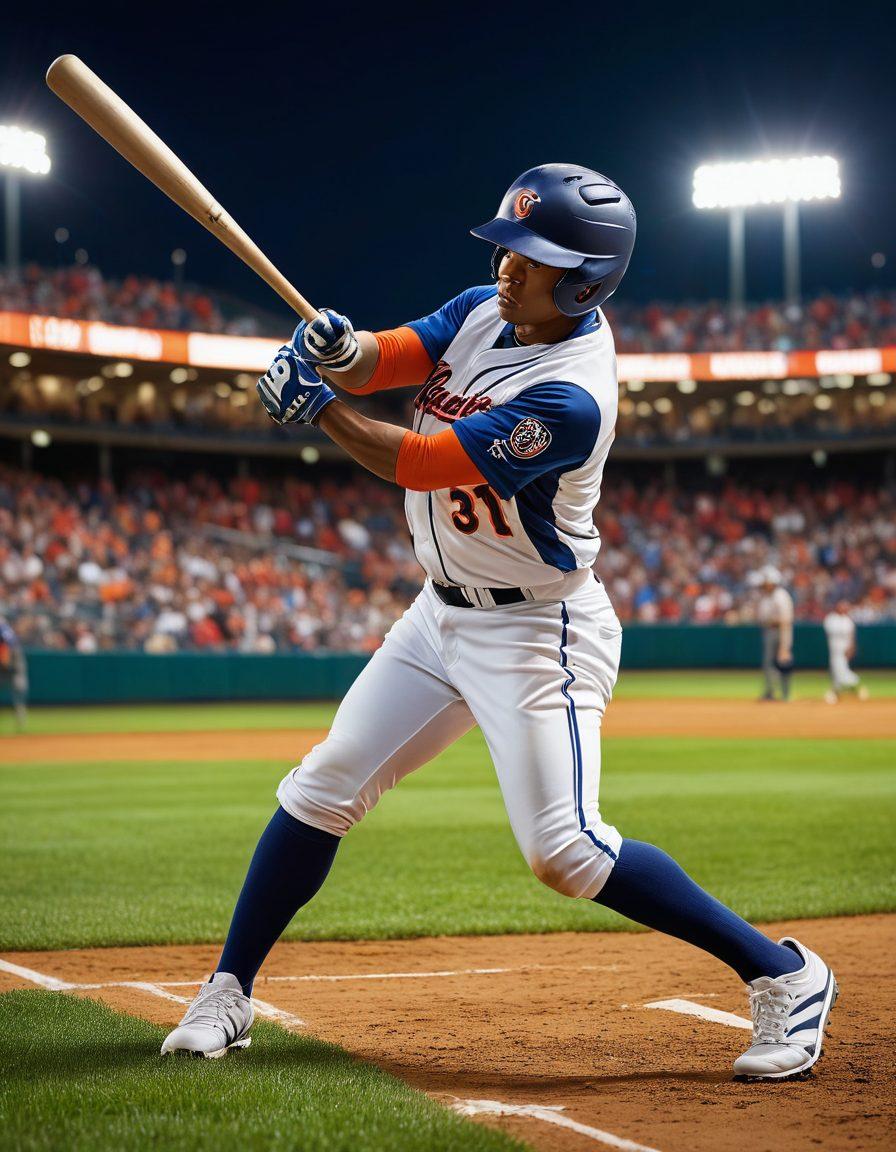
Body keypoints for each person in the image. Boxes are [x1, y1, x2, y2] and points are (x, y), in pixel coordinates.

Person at [162, 164, 837, 1080]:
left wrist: (316, 406)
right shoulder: (488, 308)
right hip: (438, 617)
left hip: (537, 636)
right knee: (322, 786)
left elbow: (420, 461)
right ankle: (228, 991)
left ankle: (785, 974)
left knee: (565, 851)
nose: (507, 266)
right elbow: (389, 356)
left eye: (533, 257)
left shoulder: (572, 394)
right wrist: (340, 349)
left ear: (586, 283)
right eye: (510, 247)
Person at [756, 567, 794, 701]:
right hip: (769, 631)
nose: (764, 585)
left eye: (766, 583)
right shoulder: (766, 597)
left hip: (780, 631)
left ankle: (785, 694)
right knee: (768, 664)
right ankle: (770, 692)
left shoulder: (781, 595)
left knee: (783, 662)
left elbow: (785, 621)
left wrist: (785, 645)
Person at [822, 600, 868, 704]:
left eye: (845, 607)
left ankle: (856, 686)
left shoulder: (848, 621)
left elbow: (852, 637)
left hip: (844, 650)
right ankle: (837, 693)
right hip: (834, 650)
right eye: (841, 606)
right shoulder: (831, 618)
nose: (843, 608)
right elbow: (829, 632)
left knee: (840, 671)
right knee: (836, 672)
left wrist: (851, 648)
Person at [0, 616, 28, 733]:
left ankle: (20, 720)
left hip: (13, 662)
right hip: (5, 663)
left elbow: (9, 645)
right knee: (19, 690)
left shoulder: (3, 629)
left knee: (19, 690)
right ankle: (20, 718)